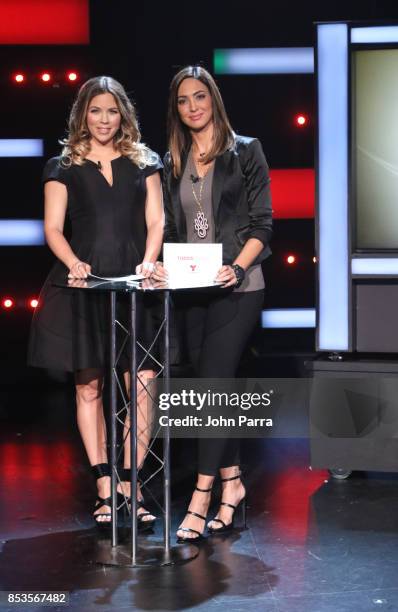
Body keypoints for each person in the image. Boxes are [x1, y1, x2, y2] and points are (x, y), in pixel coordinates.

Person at [28, 76, 164, 529]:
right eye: (95, 111)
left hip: (135, 284)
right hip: (84, 287)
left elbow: (157, 221)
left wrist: (148, 263)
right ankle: (105, 486)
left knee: (142, 385)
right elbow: (52, 228)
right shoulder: (62, 164)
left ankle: (133, 484)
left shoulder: (144, 160)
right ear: (82, 115)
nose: (104, 120)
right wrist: (73, 262)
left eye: (111, 110)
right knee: (89, 386)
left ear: (122, 113)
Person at [152, 65, 272, 542]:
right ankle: (233, 484)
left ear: (214, 100)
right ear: (176, 109)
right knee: (211, 389)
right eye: (183, 100)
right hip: (191, 289)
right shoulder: (173, 159)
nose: (193, 107)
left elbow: (263, 226)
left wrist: (238, 267)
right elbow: (177, 232)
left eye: (200, 97)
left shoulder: (246, 151)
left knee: (211, 389)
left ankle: (200, 497)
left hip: (239, 286)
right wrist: (164, 264)